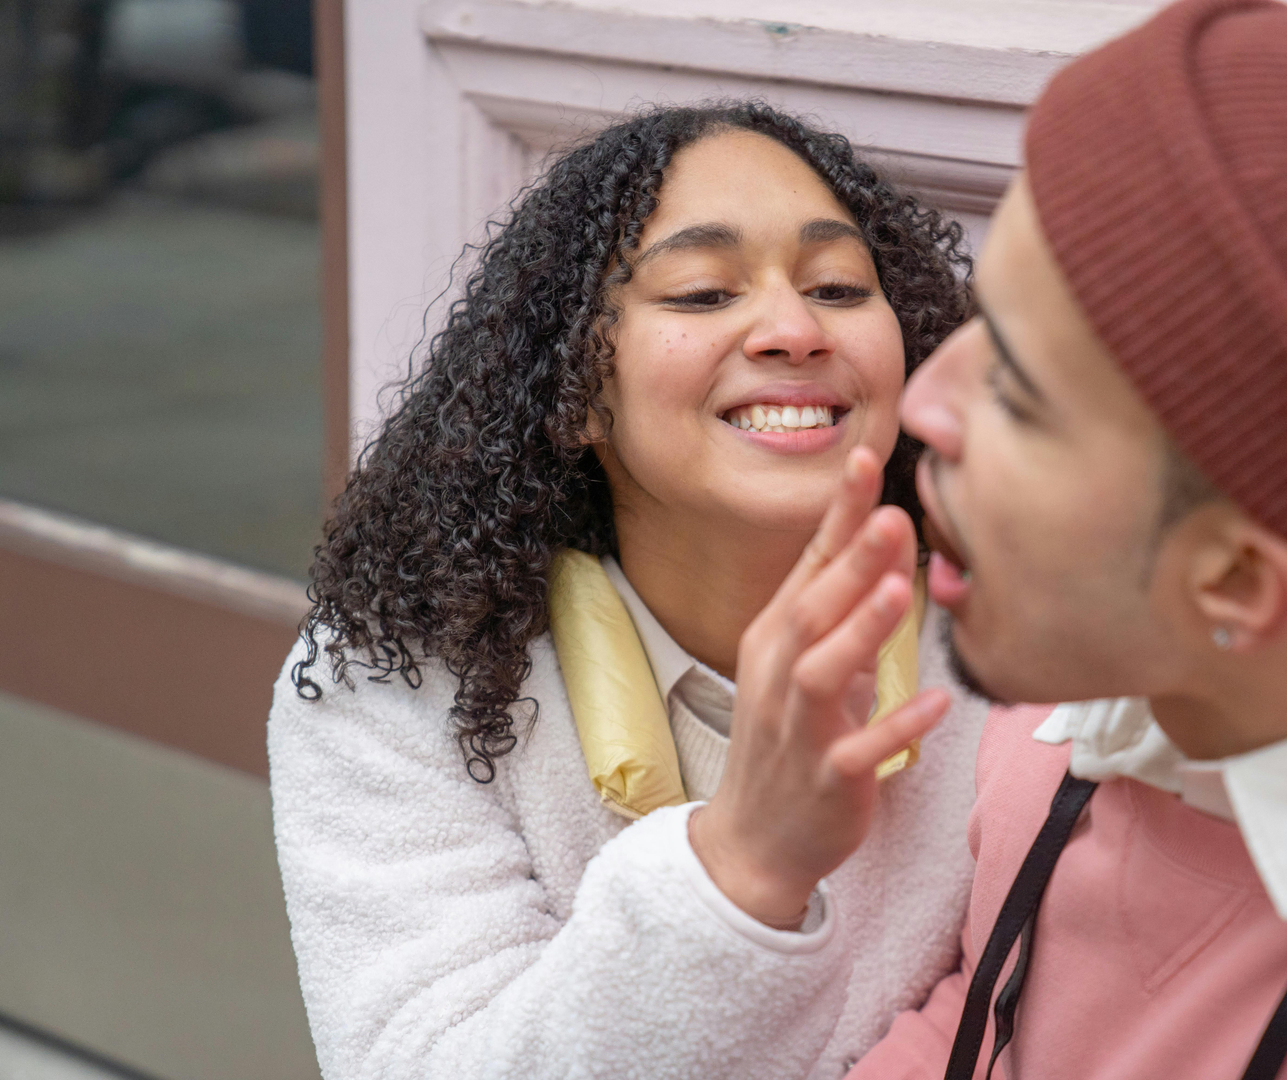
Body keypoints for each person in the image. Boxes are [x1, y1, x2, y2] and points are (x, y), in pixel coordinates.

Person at [684, 2, 1287, 1077]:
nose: (926, 398)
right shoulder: (1111, 626)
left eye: (1024, 398)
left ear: (1236, 582)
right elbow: (988, 1013)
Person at [267, 102, 989, 1080]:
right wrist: (745, 867)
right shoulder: (403, 676)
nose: (793, 328)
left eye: (836, 286)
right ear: (574, 392)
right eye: (700, 294)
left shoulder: (1008, 635)